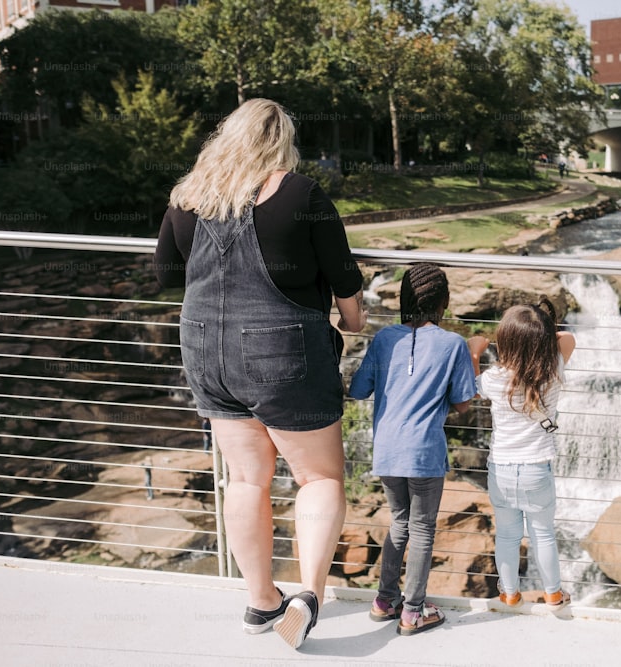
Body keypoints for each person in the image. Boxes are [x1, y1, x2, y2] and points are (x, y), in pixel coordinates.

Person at [153, 98, 367, 650]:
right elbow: (343, 273)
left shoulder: (186, 198)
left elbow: (166, 275)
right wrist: (352, 320)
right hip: (281, 353)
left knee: (247, 478)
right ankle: (309, 595)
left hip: (204, 349)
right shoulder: (300, 193)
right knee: (317, 479)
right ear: (282, 142)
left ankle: (260, 600)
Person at [347, 263, 476, 635]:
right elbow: (464, 402)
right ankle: (414, 611)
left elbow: (358, 390)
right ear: (444, 303)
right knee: (422, 528)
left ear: (403, 298)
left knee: (399, 522)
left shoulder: (385, 338)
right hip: (424, 453)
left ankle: (385, 600)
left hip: (387, 450)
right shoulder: (453, 344)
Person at [467, 300, 575, 609]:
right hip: (536, 468)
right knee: (543, 534)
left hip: (500, 469)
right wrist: (539, 334)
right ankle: (553, 593)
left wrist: (475, 352)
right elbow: (568, 338)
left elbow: (473, 390)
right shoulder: (553, 367)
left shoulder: (494, 378)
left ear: (506, 342)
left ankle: (510, 593)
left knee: (508, 536)